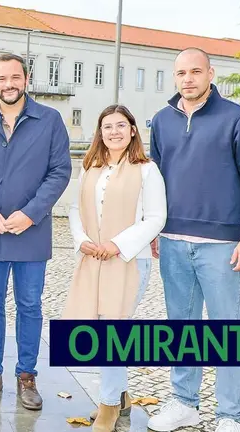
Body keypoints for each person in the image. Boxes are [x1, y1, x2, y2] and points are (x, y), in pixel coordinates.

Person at [146, 48, 240, 432]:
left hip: (222, 246)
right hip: (172, 242)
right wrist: (153, 229)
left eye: (196, 71)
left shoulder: (238, 119)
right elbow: (154, 180)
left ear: (210, 73)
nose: (188, 79)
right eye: (181, 73)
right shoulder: (162, 121)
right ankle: (184, 403)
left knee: (227, 331)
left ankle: (230, 415)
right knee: (182, 328)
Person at [0, 53, 71, 409]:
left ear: (27, 79)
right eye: (2, 78)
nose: (9, 84)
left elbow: (60, 171)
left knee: (29, 305)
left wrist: (31, 214)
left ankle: (26, 376)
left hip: (31, 233)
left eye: (15, 77)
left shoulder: (50, 120)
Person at [61, 104, 167, 432]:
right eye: (107, 126)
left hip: (129, 261)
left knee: (112, 336)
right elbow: (75, 208)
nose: (114, 132)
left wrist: (117, 244)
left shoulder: (147, 170)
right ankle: (121, 399)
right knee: (96, 333)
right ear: (100, 132)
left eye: (121, 125)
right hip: (93, 260)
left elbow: (156, 218)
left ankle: (108, 406)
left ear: (133, 130)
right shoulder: (90, 167)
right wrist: (82, 240)